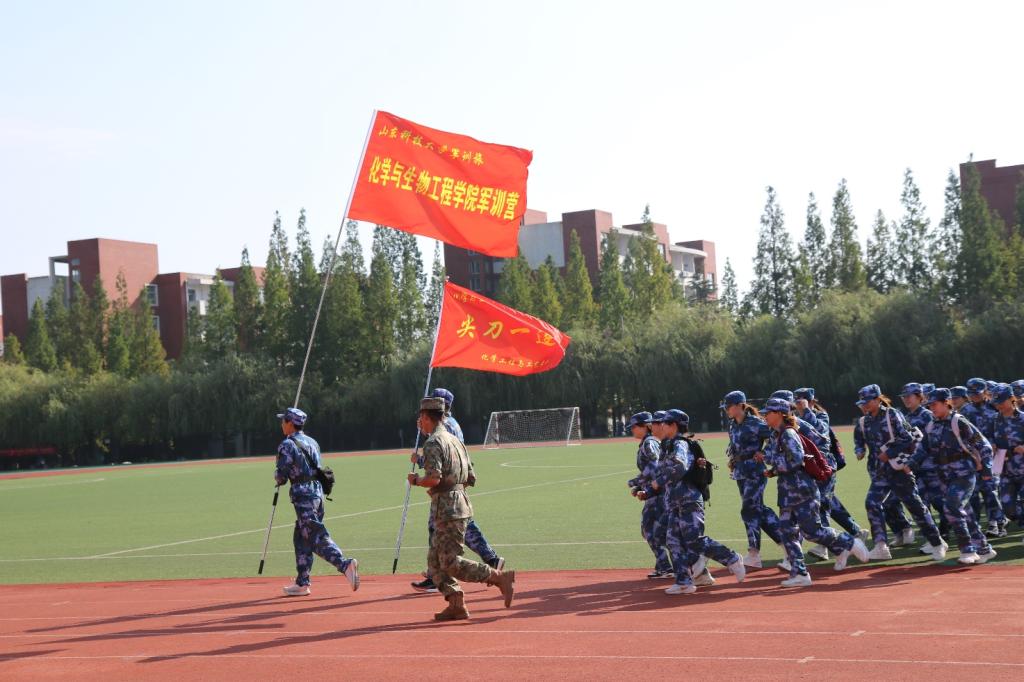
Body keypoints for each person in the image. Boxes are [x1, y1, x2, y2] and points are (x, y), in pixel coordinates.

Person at [407, 396, 515, 621]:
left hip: (448, 509)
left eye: (421, 418)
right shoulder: (456, 441)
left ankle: (498, 577)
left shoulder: (433, 443)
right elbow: (471, 477)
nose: (420, 422)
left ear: (427, 417)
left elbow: (433, 478)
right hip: (458, 504)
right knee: (434, 562)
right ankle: (456, 603)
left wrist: (416, 480)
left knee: (450, 562)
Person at [760, 398, 869, 587]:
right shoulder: (778, 434)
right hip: (788, 492)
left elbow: (796, 460)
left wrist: (772, 461)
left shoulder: (788, 434)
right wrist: (774, 471)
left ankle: (849, 542)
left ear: (779, 414)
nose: (764, 417)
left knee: (812, 531)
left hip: (802, 491)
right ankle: (800, 574)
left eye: (767, 413)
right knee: (787, 532)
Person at [639, 409, 744, 595]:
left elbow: (680, 466)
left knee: (694, 540)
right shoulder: (667, 445)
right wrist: (649, 491)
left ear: (673, 425)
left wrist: (658, 482)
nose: (661, 426)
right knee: (673, 541)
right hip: (674, 502)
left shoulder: (680, 444)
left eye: (664, 423)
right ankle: (684, 582)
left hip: (688, 499)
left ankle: (732, 558)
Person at [853, 384, 945, 561]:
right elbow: (859, 439)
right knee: (872, 503)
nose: (864, 405)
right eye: (862, 402)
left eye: (867, 401)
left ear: (877, 399)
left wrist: (889, 453)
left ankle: (937, 542)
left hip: (899, 469)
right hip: (880, 472)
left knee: (915, 506)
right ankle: (881, 546)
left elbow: (907, 438)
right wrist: (860, 450)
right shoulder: (864, 421)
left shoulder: (892, 414)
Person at [274, 407, 359, 597]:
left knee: (314, 536)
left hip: (303, 496)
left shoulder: (287, 444)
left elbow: (281, 477)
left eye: (283, 421)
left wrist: (277, 469)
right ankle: (302, 582)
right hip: (317, 494)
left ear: (290, 423)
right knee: (301, 536)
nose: (281, 424)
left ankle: (345, 565)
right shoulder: (312, 441)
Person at [911, 389, 994, 564]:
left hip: (964, 474)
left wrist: (986, 469)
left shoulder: (959, 422)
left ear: (946, 403)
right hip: (944, 476)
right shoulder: (932, 425)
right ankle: (984, 549)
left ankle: (968, 550)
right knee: (966, 513)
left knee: (951, 508)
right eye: (930, 405)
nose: (932, 408)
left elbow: (983, 444)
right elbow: (923, 449)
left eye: (935, 404)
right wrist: (909, 464)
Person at [792, 387, 868, 557]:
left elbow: (820, 431)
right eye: (796, 401)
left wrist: (806, 411)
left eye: (802, 401)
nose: (798, 404)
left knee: (821, 504)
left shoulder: (821, 416)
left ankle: (823, 546)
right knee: (830, 502)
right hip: (809, 467)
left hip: (825, 466)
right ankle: (856, 532)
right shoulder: (794, 418)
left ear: (812, 401)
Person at [722, 390, 783, 569]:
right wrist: (733, 459)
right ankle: (787, 541)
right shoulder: (732, 425)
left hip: (755, 472)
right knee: (757, 510)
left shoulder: (756, 423)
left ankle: (754, 553)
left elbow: (776, 435)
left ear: (740, 405)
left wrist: (764, 452)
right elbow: (734, 444)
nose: (726, 410)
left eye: (729, 406)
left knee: (749, 509)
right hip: (740, 472)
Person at [899, 383, 948, 554]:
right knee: (921, 505)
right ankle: (934, 539)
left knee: (942, 503)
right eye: (904, 397)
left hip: (932, 466)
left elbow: (934, 439)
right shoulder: (905, 417)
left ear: (920, 397)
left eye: (909, 396)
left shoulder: (927, 415)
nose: (906, 399)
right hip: (916, 468)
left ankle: (953, 530)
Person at [626, 411, 673, 578]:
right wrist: (640, 485)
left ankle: (672, 566)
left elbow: (655, 468)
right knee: (653, 530)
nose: (632, 429)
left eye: (634, 426)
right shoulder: (648, 442)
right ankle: (665, 566)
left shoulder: (649, 443)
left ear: (644, 426)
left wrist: (636, 481)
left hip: (658, 494)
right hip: (654, 493)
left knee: (652, 530)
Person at [961, 378, 1006, 536]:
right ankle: (978, 526)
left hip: (995, 454)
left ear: (985, 392)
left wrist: (995, 442)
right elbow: (965, 433)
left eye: (977, 393)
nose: (974, 396)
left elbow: (1003, 427)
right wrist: (975, 449)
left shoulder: (995, 407)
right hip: (974, 455)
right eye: (971, 394)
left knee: (990, 490)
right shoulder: (965, 411)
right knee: (973, 493)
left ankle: (997, 523)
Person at [991, 385, 1024, 534]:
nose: (999, 406)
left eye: (1002, 402)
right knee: (1008, 508)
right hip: (1005, 470)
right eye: (996, 403)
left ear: (1012, 399)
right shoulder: (994, 420)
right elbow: (983, 437)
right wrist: (990, 444)